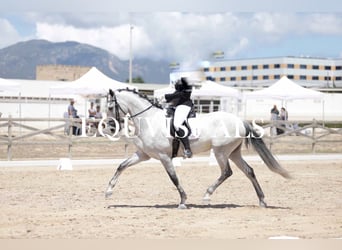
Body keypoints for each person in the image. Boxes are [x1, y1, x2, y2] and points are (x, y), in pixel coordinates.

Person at [164, 77, 193, 158]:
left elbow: (175, 95)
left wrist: (167, 96)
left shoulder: (187, 89)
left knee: (177, 124)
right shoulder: (179, 90)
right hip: (178, 106)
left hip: (185, 106)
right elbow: (174, 96)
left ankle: (187, 149)